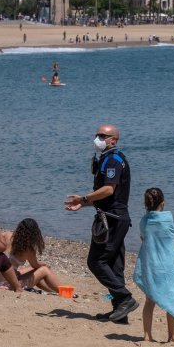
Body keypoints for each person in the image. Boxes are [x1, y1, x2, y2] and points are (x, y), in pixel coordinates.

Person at [65, 124, 138, 323]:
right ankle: (120, 312)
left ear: (113, 140)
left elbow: (108, 190)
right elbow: (106, 196)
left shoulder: (113, 159)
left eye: (103, 135)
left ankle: (125, 298)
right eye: (97, 134)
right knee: (114, 265)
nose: (98, 138)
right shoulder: (106, 158)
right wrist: (83, 204)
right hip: (113, 215)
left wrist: (83, 199)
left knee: (96, 261)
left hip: (113, 219)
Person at [133, 188, 174, 343]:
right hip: (167, 264)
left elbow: (143, 239)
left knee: (149, 300)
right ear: (163, 203)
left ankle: (147, 335)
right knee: (172, 298)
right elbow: (171, 236)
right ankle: (172, 336)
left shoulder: (144, 222)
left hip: (151, 264)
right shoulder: (168, 220)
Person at [8, 217, 60, 293]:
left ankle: (51, 291)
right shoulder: (28, 249)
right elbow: (35, 265)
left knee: (27, 269)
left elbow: (33, 266)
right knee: (44, 270)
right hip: (10, 284)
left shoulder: (7, 236)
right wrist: (44, 264)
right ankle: (64, 291)